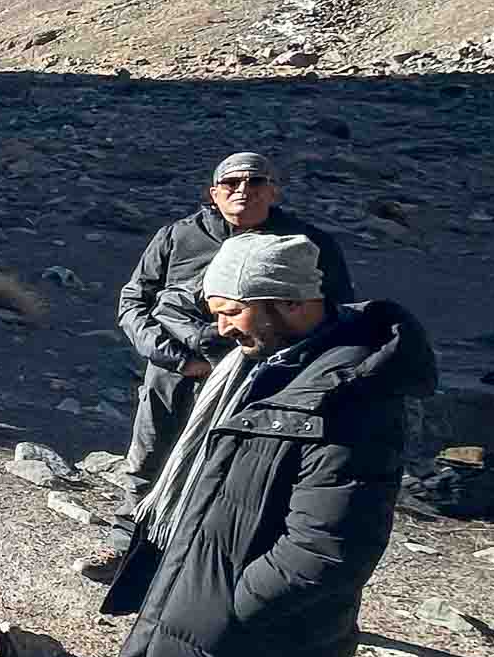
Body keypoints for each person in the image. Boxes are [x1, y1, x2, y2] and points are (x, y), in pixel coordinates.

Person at [101, 232, 436, 657]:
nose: (222, 327)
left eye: (231, 311)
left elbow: (329, 544)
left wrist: (235, 604)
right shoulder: (275, 362)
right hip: (219, 571)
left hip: (263, 604)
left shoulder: (346, 396)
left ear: (287, 302)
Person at [116, 151, 356, 510]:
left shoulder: (306, 243)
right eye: (231, 183)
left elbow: (336, 312)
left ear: (273, 191)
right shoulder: (178, 236)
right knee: (151, 455)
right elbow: (133, 304)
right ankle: (129, 533)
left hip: (258, 371)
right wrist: (179, 360)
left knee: (233, 464)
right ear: (214, 193)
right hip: (174, 368)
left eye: (255, 181)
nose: (243, 189)